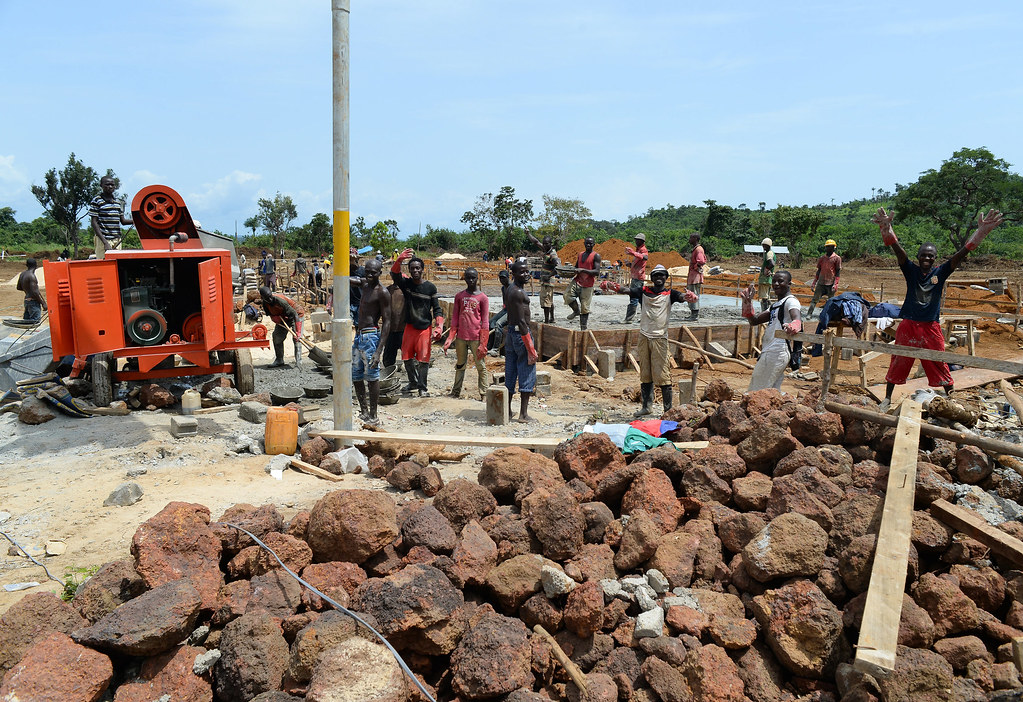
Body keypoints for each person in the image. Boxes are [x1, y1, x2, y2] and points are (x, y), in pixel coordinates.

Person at [872, 207, 1003, 410]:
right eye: (923, 255)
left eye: (931, 256)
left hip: (930, 327)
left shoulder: (940, 273)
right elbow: (898, 251)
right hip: (909, 325)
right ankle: (888, 398)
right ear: (918, 257)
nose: (927, 258)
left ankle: (951, 398)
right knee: (899, 360)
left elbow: (960, 255)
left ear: (935, 258)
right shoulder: (911, 271)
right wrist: (887, 230)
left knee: (939, 361)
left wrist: (980, 233)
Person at [604, 264, 695, 415]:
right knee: (645, 372)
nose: (659, 278)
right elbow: (627, 291)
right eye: (656, 276)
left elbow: (681, 297)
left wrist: (688, 297)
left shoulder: (670, 294)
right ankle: (647, 407)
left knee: (663, 374)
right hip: (644, 337)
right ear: (651, 278)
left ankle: (668, 410)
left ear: (666, 278)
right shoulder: (643, 292)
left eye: (662, 275)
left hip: (659, 338)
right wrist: (612, 286)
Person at [390, 248, 444, 397]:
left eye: (418, 268)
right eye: (412, 268)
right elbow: (394, 274)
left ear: (422, 270)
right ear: (409, 269)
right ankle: (413, 382)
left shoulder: (430, 287)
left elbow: (437, 309)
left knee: (423, 359)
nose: (415, 271)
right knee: (406, 358)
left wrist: (439, 326)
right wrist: (399, 260)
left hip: (424, 328)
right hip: (409, 326)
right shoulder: (406, 285)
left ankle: (422, 387)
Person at [740, 271, 802, 392]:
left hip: (777, 350)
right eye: (774, 281)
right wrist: (747, 304)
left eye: (780, 281)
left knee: (757, 389)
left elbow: (796, 317)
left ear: (789, 283)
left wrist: (794, 325)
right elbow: (754, 321)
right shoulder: (776, 305)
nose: (776, 284)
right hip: (771, 350)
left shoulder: (791, 301)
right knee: (772, 390)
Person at [352, 259, 391, 425]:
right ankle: (364, 412)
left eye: (373, 273)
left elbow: (387, 321)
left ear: (380, 273)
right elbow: (350, 279)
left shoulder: (382, 292)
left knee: (372, 376)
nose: (369, 275)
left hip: (370, 336)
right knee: (356, 375)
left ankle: (373, 415)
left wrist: (378, 351)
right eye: (366, 271)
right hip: (359, 336)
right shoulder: (364, 284)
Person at [444, 268, 490, 399]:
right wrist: (450, 337)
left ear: (477, 279)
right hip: (461, 338)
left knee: (480, 366)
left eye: (473, 278)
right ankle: (456, 391)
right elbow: (455, 318)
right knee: (460, 364)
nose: (471, 280)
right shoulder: (459, 296)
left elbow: (485, 321)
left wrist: (483, 343)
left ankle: (484, 393)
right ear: (464, 279)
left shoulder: (483, 298)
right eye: (468, 278)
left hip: (476, 337)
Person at [505, 259, 539, 422]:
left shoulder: (510, 289)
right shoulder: (518, 292)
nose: (526, 275)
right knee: (527, 370)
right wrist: (530, 347)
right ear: (514, 273)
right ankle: (523, 414)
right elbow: (521, 321)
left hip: (511, 333)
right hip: (520, 334)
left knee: (510, 370)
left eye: (527, 271)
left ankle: (506, 409)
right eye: (522, 272)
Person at [259, 285, 304, 367]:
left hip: (296, 315)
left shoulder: (280, 300)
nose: (270, 299)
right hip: (283, 317)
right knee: (277, 337)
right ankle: (279, 360)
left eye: (270, 296)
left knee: (296, 339)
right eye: (267, 298)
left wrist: (298, 331)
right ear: (262, 298)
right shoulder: (265, 304)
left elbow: (295, 314)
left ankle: (298, 361)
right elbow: (270, 314)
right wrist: (274, 318)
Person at [89, 175, 132, 259]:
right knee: (104, 264)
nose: (110, 187)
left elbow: (122, 221)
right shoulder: (97, 201)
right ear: (101, 185)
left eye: (112, 185)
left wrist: (137, 220)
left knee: (117, 263)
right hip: (103, 239)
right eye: (107, 184)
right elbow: (94, 222)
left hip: (117, 239)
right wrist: (105, 242)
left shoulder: (118, 202)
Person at [564, 236, 601, 330]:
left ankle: (583, 328)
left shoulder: (596, 256)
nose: (588, 245)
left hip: (588, 284)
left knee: (585, 308)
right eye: (587, 243)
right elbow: (577, 267)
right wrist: (570, 271)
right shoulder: (580, 254)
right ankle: (576, 311)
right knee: (567, 295)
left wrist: (583, 270)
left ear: (594, 245)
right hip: (578, 280)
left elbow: (596, 272)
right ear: (584, 244)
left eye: (590, 244)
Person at [527, 230, 560, 323]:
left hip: (548, 281)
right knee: (549, 300)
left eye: (547, 244)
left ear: (551, 243)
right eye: (544, 243)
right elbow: (536, 242)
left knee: (546, 302)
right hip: (546, 280)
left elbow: (558, 267)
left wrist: (549, 275)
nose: (544, 245)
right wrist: (528, 234)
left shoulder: (552, 254)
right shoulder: (546, 250)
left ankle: (546, 321)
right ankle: (552, 318)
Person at [806, 239, 842, 319]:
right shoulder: (822, 258)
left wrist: (836, 284)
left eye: (831, 247)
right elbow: (819, 270)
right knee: (814, 300)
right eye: (827, 247)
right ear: (825, 248)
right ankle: (809, 314)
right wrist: (814, 282)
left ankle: (828, 315)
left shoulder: (837, 258)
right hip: (821, 283)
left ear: (834, 248)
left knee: (830, 301)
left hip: (831, 283)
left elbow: (838, 271)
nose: (829, 248)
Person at [623, 233, 650, 324]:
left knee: (634, 297)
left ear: (642, 241)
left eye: (638, 240)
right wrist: (629, 264)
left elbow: (645, 257)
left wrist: (632, 253)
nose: (636, 241)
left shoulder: (643, 250)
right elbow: (637, 264)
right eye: (636, 240)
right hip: (636, 277)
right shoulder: (638, 251)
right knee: (640, 298)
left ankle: (629, 318)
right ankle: (646, 317)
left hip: (638, 278)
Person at [382, 280, 406, 370]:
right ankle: (390, 373)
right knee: (388, 358)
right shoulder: (387, 291)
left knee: (408, 356)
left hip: (403, 329)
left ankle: (412, 378)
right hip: (390, 329)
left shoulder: (406, 291)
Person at [488, 268, 511, 356]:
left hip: (512, 311)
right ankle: (489, 346)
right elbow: (505, 302)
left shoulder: (511, 288)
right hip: (506, 310)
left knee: (498, 324)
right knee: (491, 322)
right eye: (500, 278)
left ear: (508, 278)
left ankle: (495, 349)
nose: (502, 280)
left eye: (504, 278)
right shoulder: (503, 288)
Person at [685, 233, 706, 321]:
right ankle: (693, 314)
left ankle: (694, 315)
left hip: (695, 276)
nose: (689, 239)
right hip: (693, 276)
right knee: (691, 293)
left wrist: (694, 267)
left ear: (695, 239)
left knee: (694, 294)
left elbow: (701, 261)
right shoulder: (696, 249)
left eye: (691, 238)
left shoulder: (698, 249)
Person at [758, 238, 776, 312]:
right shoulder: (769, 253)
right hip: (767, 279)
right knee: (767, 298)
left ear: (769, 245)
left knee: (764, 298)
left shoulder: (769, 253)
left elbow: (771, 263)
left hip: (765, 279)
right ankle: (771, 312)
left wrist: (767, 268)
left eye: (765, 245)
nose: (764, 246)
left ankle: (765, 314)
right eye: (763, 245)